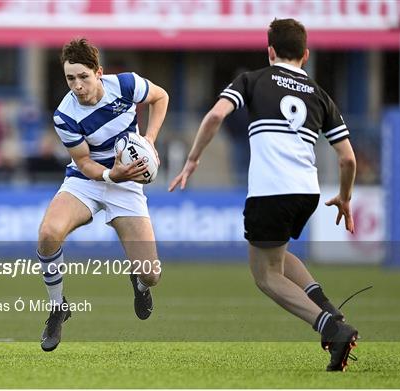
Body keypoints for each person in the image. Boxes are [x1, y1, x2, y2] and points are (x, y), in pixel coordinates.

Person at [169, 19, 358, 372]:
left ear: (269, 51)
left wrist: (192, 158)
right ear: (305, 54)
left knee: (264, 275)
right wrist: (345, 197)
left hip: (271, 191)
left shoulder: (253, 80)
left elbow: (214, 116)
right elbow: (347, 157)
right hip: (307, 192)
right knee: (279, 255)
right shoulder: (320, 93)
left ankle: (333, 329)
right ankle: (329, 310)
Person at [39, 38, 168, 352]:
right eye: (71, 79)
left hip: (126, 185)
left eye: (83, 76)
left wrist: (149, 139)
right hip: (87, 180)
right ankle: (58, 308)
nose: (78, 86)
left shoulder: (126, 85)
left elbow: (160, 96)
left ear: (98, 72)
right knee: (48, 234)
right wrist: (111, 174)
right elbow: (83, 162)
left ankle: (138, 284)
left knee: (151, 275)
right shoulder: (65, 115)